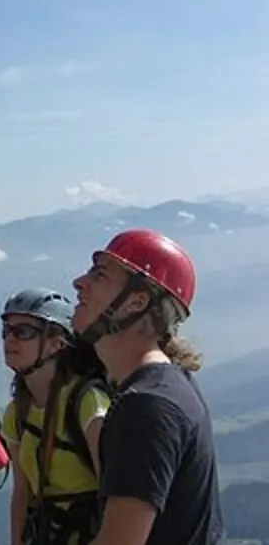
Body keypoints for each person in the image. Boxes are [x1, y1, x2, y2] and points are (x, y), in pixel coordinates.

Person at [70, 230, 224, 545]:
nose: (79, 282)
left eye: (99, 276)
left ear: (136, 302)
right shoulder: (169, 387)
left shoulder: (146, 406)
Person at [0, 288, 111, 545]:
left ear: (57, 342)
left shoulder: (87, 402)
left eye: (23, 332)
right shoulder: (17, 412)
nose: (10, 340)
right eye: (7, 330)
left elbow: (113, 492)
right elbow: (22, 494)